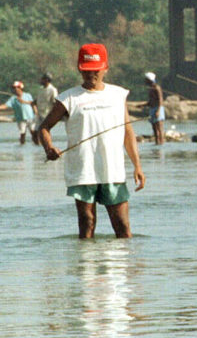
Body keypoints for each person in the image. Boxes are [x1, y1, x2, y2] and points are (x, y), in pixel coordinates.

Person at [38, 43, 145, 239]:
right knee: (87, 223)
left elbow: (128, 132)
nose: (91, 75)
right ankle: (85, 267)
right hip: (83, 170)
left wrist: (137, 166)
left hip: (112, 169)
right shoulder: (68, 98)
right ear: (80, 69)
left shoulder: (117, 95)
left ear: (105, 68)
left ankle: (123, 267)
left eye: (96, 70)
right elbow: (44, 128)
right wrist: (49, 147)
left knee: (122, 226)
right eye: (86, 71)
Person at [31, 72, 59, 146]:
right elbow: (38, 100)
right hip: (39, 114)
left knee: (44, 131)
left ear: (47, 80)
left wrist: (54, 115)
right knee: (35, 132)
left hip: (47, 114)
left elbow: (55, 102)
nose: (41, 80)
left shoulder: (52, 90)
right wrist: (34, 103)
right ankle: (38, 147)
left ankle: (48, 146)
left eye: (42, 79)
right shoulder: (41, 89)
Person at [144, 72, 165, 145]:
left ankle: (161, 142)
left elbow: (160, 100)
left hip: (158, 108)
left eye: (146, 80)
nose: (145, 81)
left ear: (149, 80)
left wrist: (158, 111)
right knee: (154, 128)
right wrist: (143, 105)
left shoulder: (157, 88)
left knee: (159, 127)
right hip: (152, 109)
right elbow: (151, 101)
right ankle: (157, 142)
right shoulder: (150, 89)